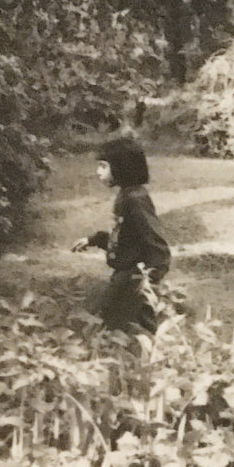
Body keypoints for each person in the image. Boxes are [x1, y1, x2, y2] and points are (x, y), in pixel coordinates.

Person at [72, 137, 171, 334]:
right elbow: (125, 235)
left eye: (103, 166)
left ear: (121, 167)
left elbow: (157, 245)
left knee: (126, 325)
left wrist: (148, 282)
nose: (98, 172)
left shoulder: (136, 200)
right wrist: (94, 240)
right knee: (111, 318)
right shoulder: (127, 195)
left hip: (134, 277)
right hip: (125, 274)